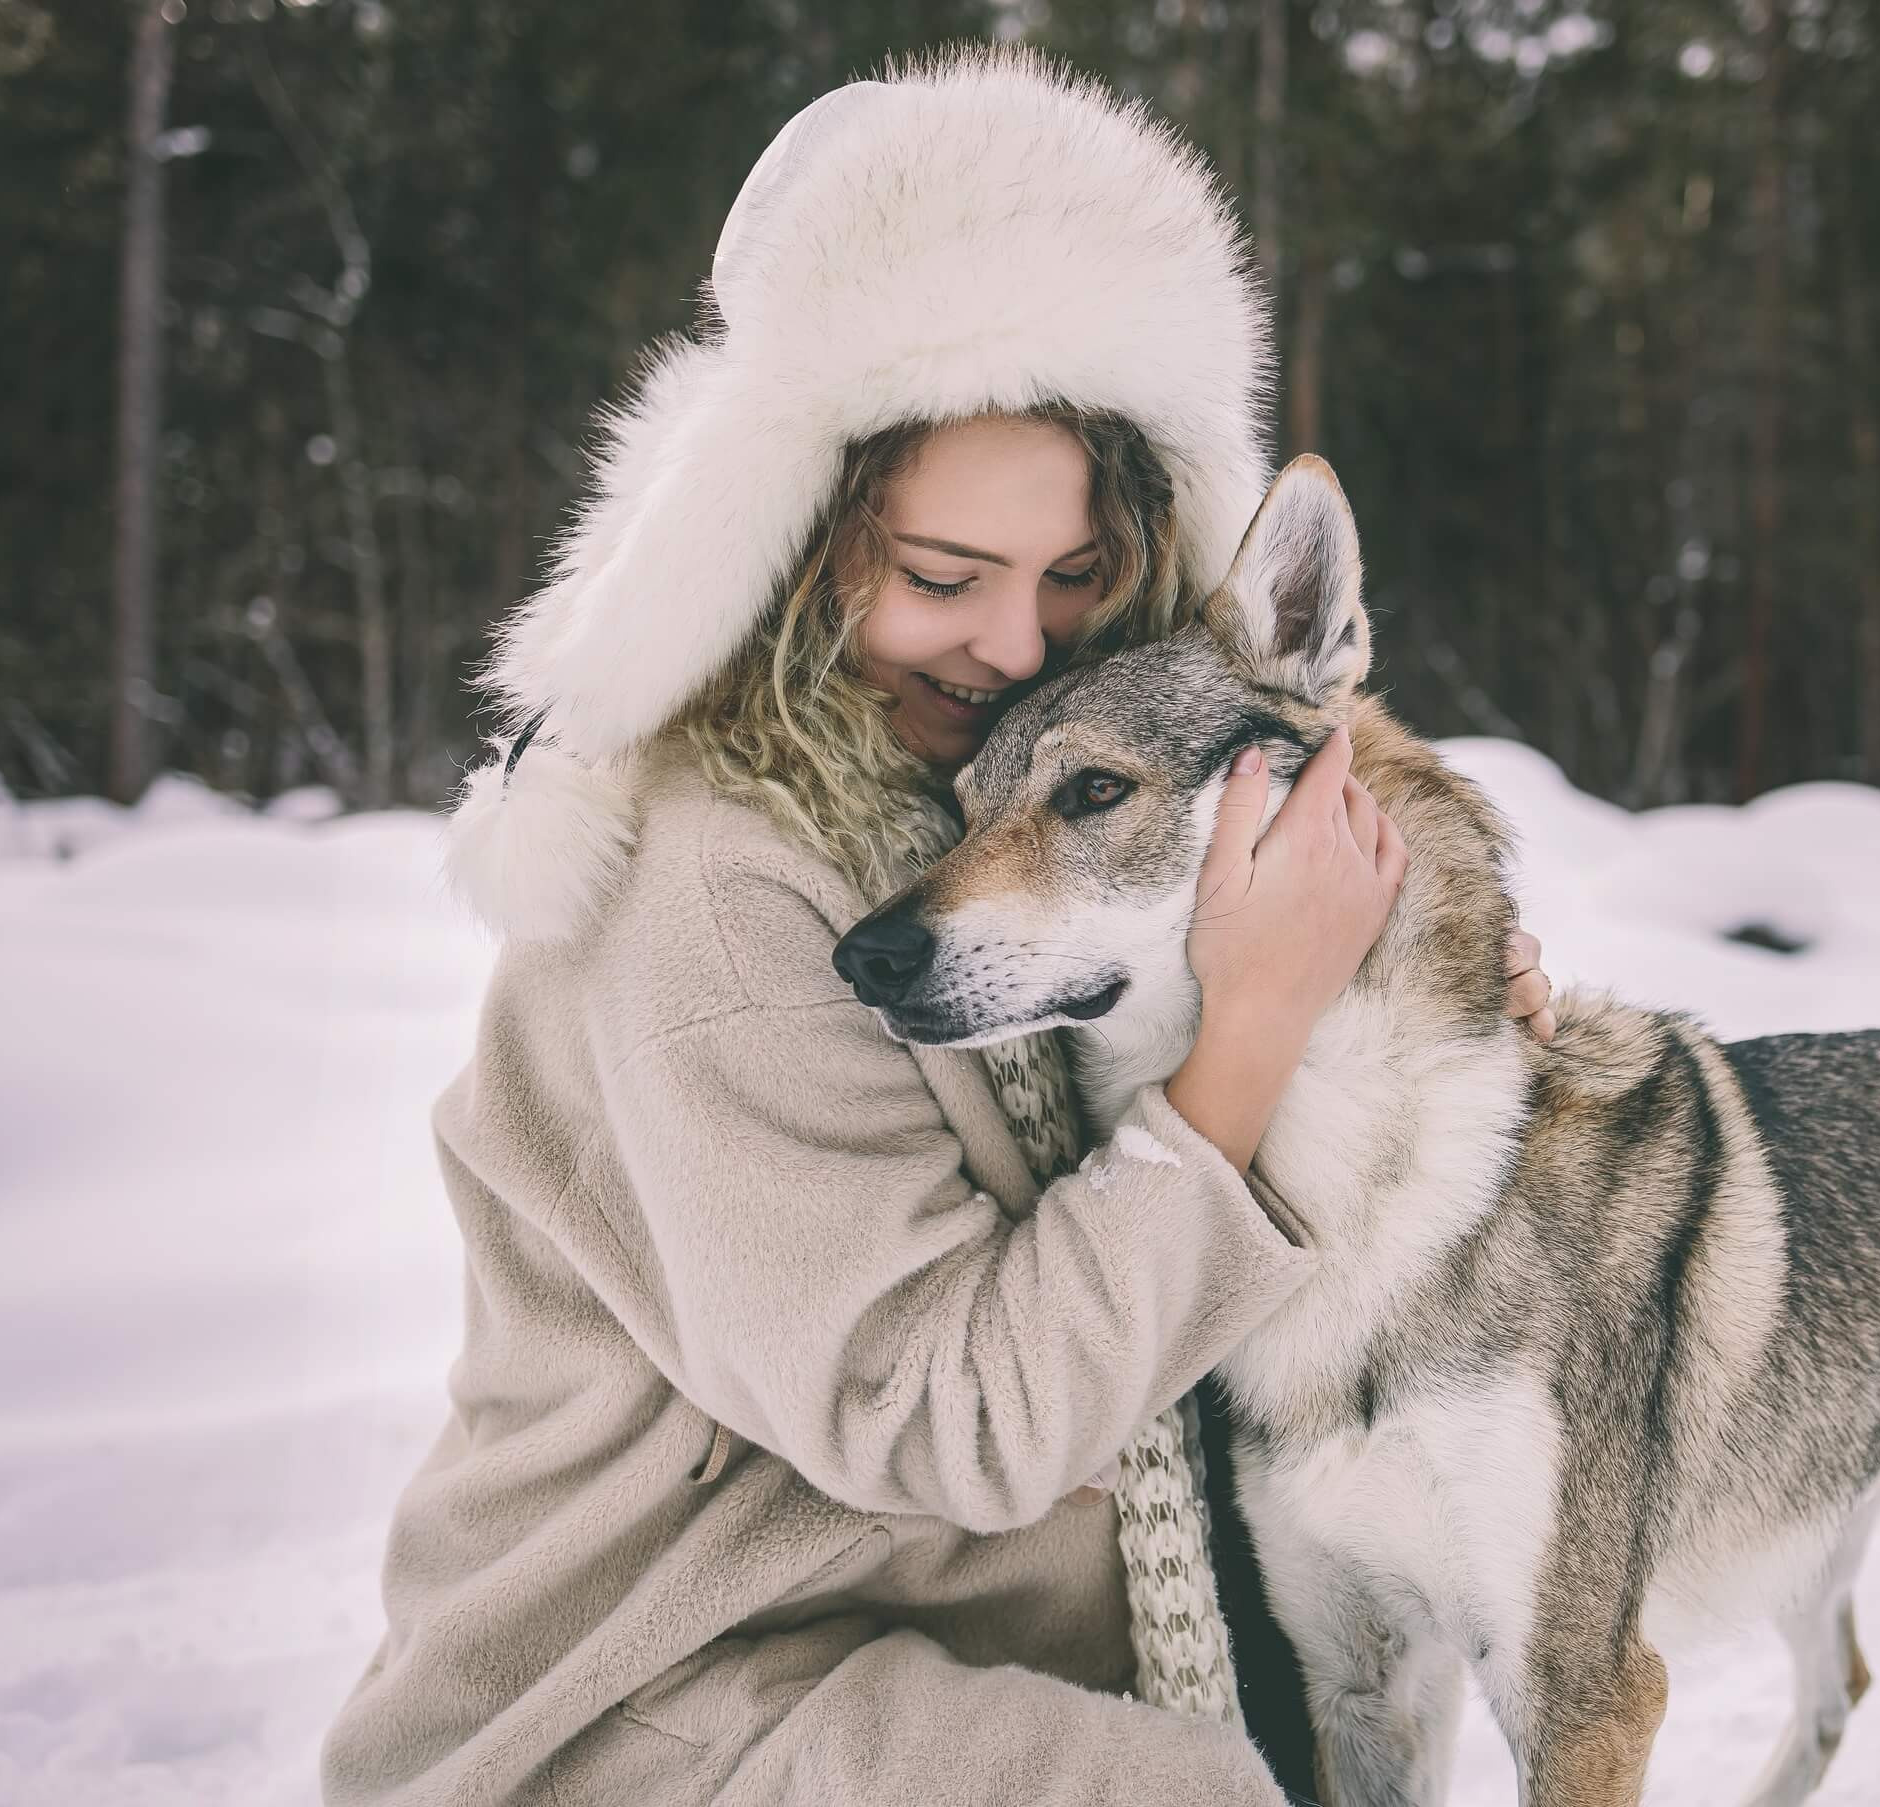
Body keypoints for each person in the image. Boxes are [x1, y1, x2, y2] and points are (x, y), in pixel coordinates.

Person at [322, 48, 1555, 1807]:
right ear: (802, 543)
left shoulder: (988, 789)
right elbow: (947, 1420)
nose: (1016, 647)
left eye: (1070, 577)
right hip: (647, 1703)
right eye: (940, 577)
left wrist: (1407, 984)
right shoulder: (708, 897)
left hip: (958, 1652)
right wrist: (1255, 1031)